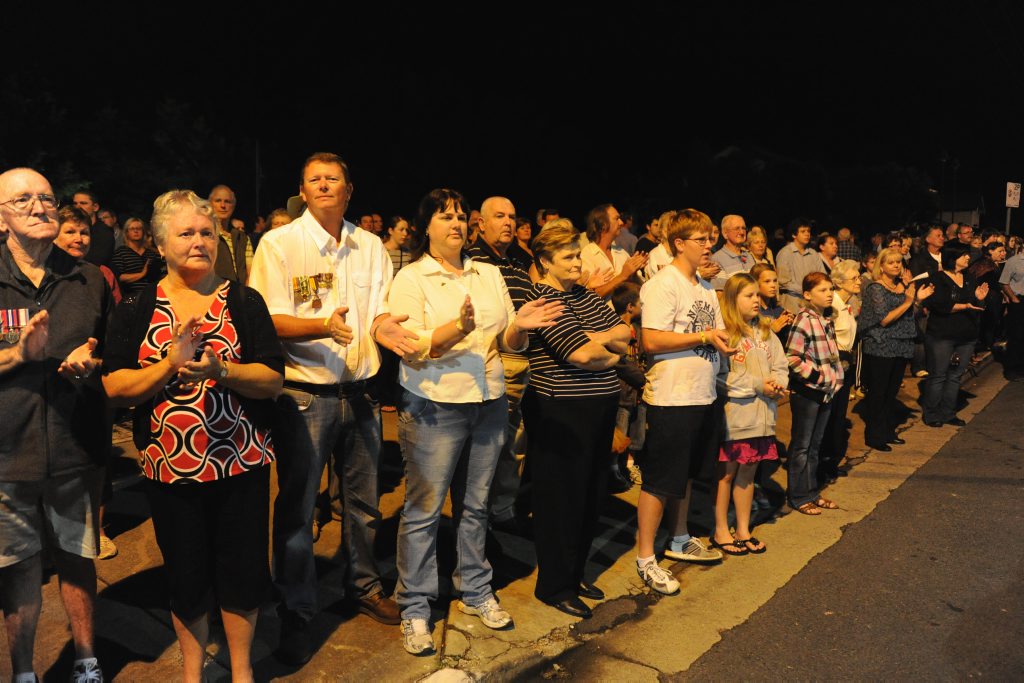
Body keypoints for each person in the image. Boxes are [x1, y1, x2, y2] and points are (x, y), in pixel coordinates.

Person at [103, 189, 283, 682]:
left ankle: (242, 671)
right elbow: (116, 388)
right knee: (186, 577)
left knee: (243, 574)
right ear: (160, 244)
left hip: (240, 466)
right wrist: (169, 365)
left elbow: (272, 380)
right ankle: (191, 671)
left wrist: (220, 369)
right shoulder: (138, 307)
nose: (199, 241)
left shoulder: (244, 301)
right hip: (170, 470)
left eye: (207, 232)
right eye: (185, 233)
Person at [248, 152, 418, 665]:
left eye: (333, 179)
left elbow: (380, 312)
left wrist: (389, 330)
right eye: (314, 180)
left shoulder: (370, 247)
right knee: (298, 510)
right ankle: (296, 610)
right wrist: (323, 326)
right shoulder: (280, 245)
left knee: (364, 504)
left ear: (349, 190)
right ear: (302, 191)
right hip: (305, 397)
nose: (324, 186)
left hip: (362, 393)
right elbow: (265, 320)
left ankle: (363, 588)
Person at [387, 189, 560, 654]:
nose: (457, 224)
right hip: (434, 404)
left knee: (476, 505)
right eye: (446, 217)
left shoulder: (488, 273)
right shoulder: (411, 277)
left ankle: (475, 589)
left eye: (462, 216)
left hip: (488, 401)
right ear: (428, 226)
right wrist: (457, 329)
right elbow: (415, 342)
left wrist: (521, 325)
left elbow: (506, 340)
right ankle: (417, 606)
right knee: (424, 511)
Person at [0, 168, 112, 683]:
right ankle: (23, 672)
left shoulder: (88, 278)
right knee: (19, 566)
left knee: (77, 556)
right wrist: (17, 353)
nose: (40, 206)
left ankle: (86, 660)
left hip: (74, 446)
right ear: (1, 217)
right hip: (8, 452)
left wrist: (94, 362)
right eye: (22, 199)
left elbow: (112, 354)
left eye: (46, 197)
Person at [523, 221, 632, 618]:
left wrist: (597, 340)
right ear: (545, 261)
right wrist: (605, 347)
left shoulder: (583, 294)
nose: (577, 262)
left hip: (597, 408)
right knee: (560, 500)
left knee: (590, 496)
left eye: (577, 254)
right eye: (568, 257)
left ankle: (574, 572)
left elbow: (623, 332)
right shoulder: (544, 300)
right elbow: (582, 356)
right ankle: (554, 585)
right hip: (562, 412)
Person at [637, 209, 732, 593]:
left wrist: (726, 342)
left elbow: (715, 329)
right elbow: (652, 341)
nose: (710, 246)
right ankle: (645, 556)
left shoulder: (704, 286)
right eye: (702, 239)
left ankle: (679, 538)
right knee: (661, 479)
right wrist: (705, 338)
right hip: (672, 396)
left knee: (687, 473)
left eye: (711, 238)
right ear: (680, 243)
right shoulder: (665, 284)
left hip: (702, 393)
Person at [466, 197, 536, 535]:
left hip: (523, 363)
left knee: (513, 446)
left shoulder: (517, 264)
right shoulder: (472, 263)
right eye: (499, 217)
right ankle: (482, 517)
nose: (508, 222)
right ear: (480, 224)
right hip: (495, 362)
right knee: (489, 448)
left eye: (511, 216)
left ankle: (502, 509)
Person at [714, 272, 788, 553]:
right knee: (726, 475)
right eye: (749, 295)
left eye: (758, 294)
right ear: (733, 300)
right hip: (737, 418)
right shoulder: (726, 333)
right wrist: (758, 385)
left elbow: (780, 365)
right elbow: (721, 377)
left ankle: (743, 529)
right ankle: (721, 530)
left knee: (748, 475)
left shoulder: (766, 332)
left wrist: (777, 383)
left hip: (763, 416)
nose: (757, 300)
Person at [858, 248, 933, 450]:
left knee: (891, 392)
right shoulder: (876, 288)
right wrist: (910, 300)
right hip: (881, 345)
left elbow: (908, 314)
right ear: (880, 266)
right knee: (878, 392)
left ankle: (887, 431)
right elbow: (885, 319)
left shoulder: (901, 285)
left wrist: (917, 300)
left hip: (901, 343)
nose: (897, 265)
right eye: (891, 262)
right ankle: (874, 435)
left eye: (899, 262)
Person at [785, 272, 844, 515]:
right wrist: (819, 378)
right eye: (822, 290)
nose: (829, 293)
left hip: (826, 391)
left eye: (831, 289)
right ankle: (798, 497)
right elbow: (792, 358)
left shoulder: (825, 318)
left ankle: (811, 492)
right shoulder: (804, 320)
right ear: (808, 295)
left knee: (815, 446)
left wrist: (834, 379)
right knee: (801, 446)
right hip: (808, 392)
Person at [921, 244, 987, 427]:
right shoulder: (938, 278)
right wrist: (965, 305)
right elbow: (939, 304)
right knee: (938, 375)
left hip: (966, 334)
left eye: (968, 255)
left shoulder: (968, 277)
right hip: (942, 334)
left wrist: (979, 297)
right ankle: (931, 414)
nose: (968, 258)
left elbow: (976, 303)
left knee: (955, 375)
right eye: (964, 255)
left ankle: (948, 413)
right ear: (952, 257)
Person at [818, 260, 861, 483]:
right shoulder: (832, 305)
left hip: (846, 359)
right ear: (839, 282)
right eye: (853, 278)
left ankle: (831, 461)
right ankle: (824, 464)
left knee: (839, 412)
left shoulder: (846, 304)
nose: (858, 281)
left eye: (858, 276)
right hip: (834, 360)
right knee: (831, 414)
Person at [580, 204, 648, 297]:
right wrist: (622, 276)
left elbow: (640, 287)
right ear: (603, 224)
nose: (621, 222)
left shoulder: (621, 252)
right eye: (616, 219)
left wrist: (633, 272)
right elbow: (589, 297)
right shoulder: (588, 254)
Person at [776, 217, 825, 313]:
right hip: (793, 305)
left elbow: (822, 276)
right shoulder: (785, 253)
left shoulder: (813, 253)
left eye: (808, 231)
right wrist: (806, 291)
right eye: (803, 231)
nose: (807, 234)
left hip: (813, 304)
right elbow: (783, 282)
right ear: (794, 234)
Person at [111, 216, 164, 297]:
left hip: (152, 297)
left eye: (139, 228)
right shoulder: (121, 252)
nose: (136, 231)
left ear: (143, 232)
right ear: (126, 232)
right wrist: (142, 274)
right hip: (131, 298)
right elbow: (119, 278)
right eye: (132, 229)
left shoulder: (152, 254)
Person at [209, 185, 252, 283]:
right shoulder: (205, 236)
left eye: (227, 201)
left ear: (233, 206)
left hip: (240, 295)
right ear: (210, 204)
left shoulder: (243, 238)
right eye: (218, 201)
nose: (223, 205)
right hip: (214, 294)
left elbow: (251, 272)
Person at [750, 263, 795, 339]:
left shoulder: (779, 310)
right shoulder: (752, 311)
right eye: (767, 281)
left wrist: (788, 325)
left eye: (775, 281)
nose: (773, 285)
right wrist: (771, 330)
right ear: (755, 283)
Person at [709, 214, 753, 289]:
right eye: (737, 228)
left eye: (744, 228)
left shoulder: (749, 256)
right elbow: (720, 294)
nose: (742, 232)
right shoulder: (717, 260)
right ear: (725, 234)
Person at [74, 190, 115, 268]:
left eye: (83, 203)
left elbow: (97, 262)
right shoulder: (70, 229)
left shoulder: (104, 232)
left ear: (95, 207)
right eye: (75, 203)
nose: (78, 206)